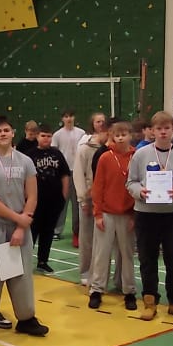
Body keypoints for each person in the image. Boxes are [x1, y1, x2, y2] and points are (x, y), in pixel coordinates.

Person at [0, 116, 48, 346]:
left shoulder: (25, 161)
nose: (2, 134)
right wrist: (19, 220)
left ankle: (26, 319)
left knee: (21, 276)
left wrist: (22, 226)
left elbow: (32, 195)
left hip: (20, 226)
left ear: (13, 132)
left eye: (6, 130)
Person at [126, 111, 173, 321]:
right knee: (148, 260)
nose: (163, 132)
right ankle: (150, 303)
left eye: (167, 128)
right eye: (159, 128)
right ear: (152, 131)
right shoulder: (140, 155)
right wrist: (140, 191)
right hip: (146, 215)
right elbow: (130, 182)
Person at [88, 120, 138, 312]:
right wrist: (98, 214)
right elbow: (98, 187)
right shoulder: (105, 158)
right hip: (107, 214)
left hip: (127, 215)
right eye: (117, 135)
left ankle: (129, 291)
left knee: (127, 254)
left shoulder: (136, 157)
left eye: (124, 134)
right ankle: (97, 290)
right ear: (112, 137)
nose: (120, 138)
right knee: (102, 254)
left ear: (130, 135)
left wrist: (134, 215)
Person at [72, 111, 108, 284]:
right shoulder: (85, 148)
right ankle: (86, 272)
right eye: (98, 121)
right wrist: (82, 198)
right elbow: (78, 174)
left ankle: (100, 273)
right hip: (88, 199)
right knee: (87, 238)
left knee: (104, 239)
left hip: (106, 200)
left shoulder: (110, 149)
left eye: (103, 122)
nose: (101, 125)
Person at [31, 125, 70, 275]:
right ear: (37, 136)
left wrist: (63, 196)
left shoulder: (57, 154)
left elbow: (65, 175)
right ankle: (24, 260)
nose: (46, 139)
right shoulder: (30, 155)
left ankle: (43, 261)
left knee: (48, 232)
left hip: (53, 201)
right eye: (43, 136)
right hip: (36, 201)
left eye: (48, 136)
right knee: (32, 232)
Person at [53, 109, 86, 246]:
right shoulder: (57, 135)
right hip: (63, 174)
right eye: (66, 116)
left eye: (71, 116)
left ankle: (77, 231)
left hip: (78, 171)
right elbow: (55, 152)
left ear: (74, 117)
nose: (69, 119)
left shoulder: (81, 133)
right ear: (62, 119)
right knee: (62, 202)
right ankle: (56, 230)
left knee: (77, 203)